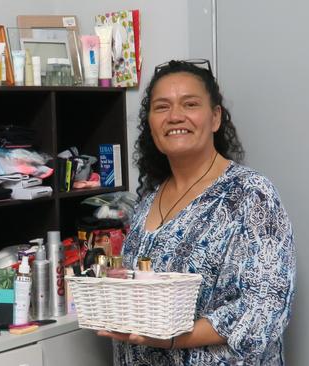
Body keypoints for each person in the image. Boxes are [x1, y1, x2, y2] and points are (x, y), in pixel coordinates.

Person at [97, 59, 296, 365]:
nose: (175, 116)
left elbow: (263, 310)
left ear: (215, 117)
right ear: (150, 122)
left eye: (190, 104)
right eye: (162, 107)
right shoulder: (149, 200)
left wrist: (174, 338)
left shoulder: (250, 194)